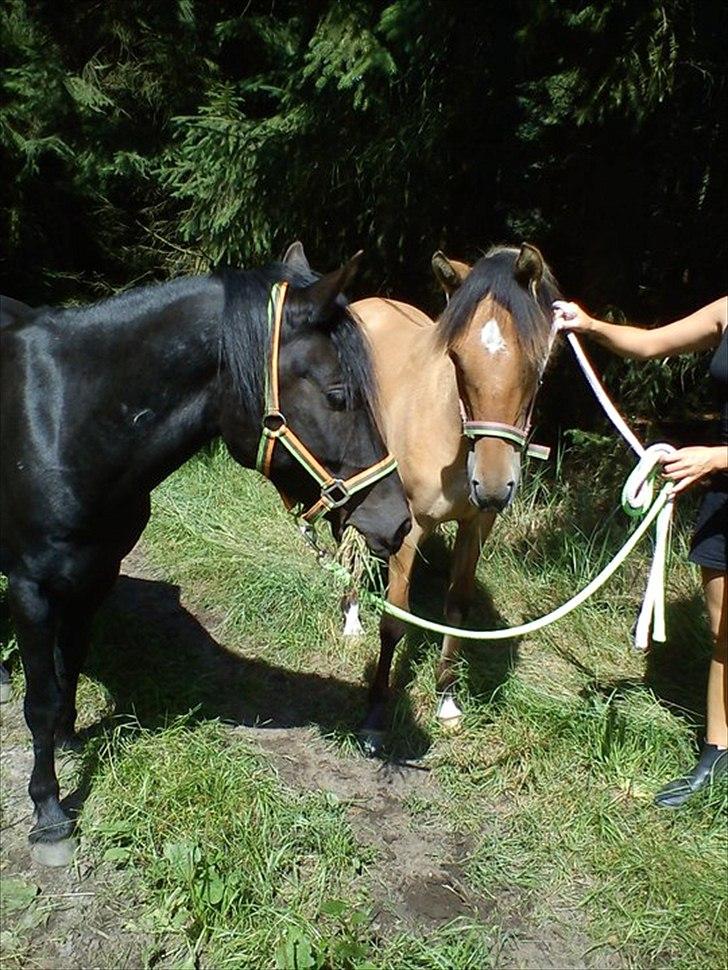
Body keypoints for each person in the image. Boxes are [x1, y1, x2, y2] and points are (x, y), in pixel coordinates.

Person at [553, 296, 727, 807]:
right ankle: (718, 755)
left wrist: (715, 455)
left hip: (716, 464)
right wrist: (589, 324)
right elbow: (650, 344)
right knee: (722, 631)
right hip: (723, 492)